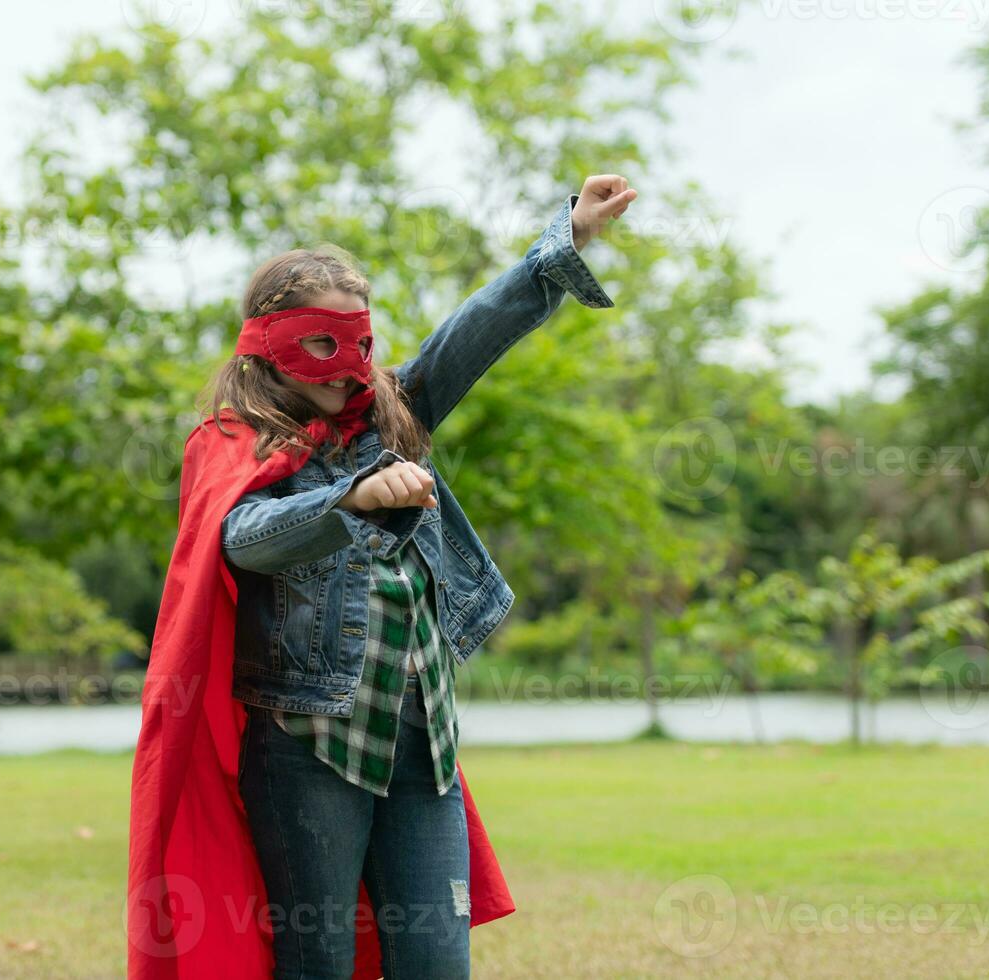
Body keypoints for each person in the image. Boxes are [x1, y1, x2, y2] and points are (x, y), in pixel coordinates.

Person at [128, 175, 637, 979]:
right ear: (267, 348)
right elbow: (244, 539)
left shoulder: (393, 410)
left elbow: (475, 330)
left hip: (421, 737)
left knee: (438, 962)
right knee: (317, 961)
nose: (346, 364)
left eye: (356, 341)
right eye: (320, 345)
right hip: (307, 744)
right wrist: (350, 499)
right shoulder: (234, 440)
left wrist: (566, 237)